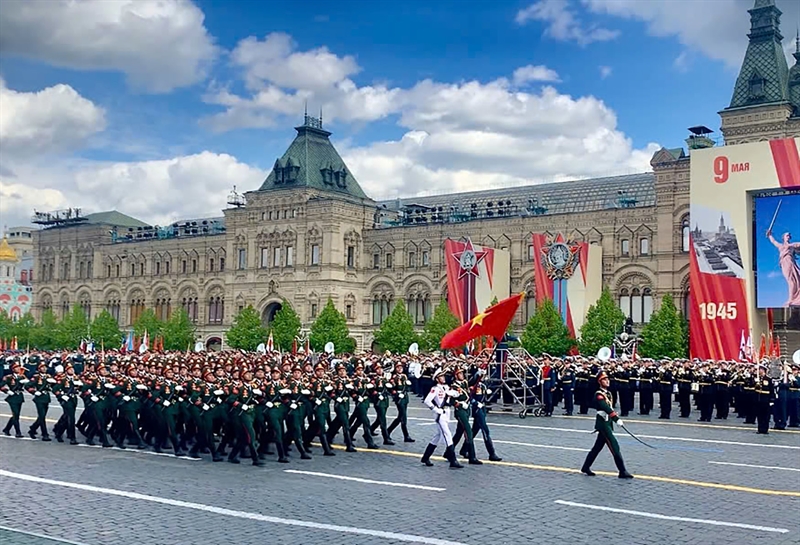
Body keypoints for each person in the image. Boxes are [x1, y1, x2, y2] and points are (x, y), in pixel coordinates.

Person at [580, 370, 633, 479]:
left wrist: (613, 418)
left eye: (607, 379)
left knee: (597, 447)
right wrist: (616, 419)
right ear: (600, 382)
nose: (607, 381)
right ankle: (622, 471)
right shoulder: (599, 394)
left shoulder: (607, 393)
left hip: (607, 422)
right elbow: (605, 407)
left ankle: (586, 467)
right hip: (603, 424)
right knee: (614, 445)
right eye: (604, 379)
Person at [421, 368, 463, 469]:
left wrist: (457, 393)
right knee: (447, 434)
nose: (443, 378)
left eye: (443, 376)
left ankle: (426, 457)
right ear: (436, 379)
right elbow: (427, 401)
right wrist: (435, 409)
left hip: (447, 412)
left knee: (438, 435)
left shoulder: (446, 387)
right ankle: (453, 460)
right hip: (440, 413)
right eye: (441, 377)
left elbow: (453, 394)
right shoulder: (435, 389)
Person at [766, 230, 800, 306]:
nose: (789, 236)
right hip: (785, 263)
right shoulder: (781, 246)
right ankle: (791, 298)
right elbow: (774, 241)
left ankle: (793, 298)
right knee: (791, 280)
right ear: (783, 238)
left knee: (796, 279)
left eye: (789, 236)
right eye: (787, 235)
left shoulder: (792, 246)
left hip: (791, 262)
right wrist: (770, 235)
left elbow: (798, 245)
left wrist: (792, 245)